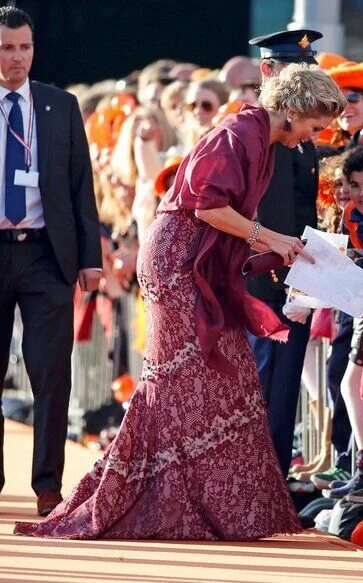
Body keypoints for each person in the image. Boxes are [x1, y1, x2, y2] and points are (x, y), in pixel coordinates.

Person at [14, 64, 346, 540]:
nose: (316, 136)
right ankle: (154, 500)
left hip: (195, 263)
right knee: (181, 381)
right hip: (176, 265)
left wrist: (275, 245)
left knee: (218, 376)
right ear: (292, 111)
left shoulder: (260, 138)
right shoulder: (239, 133)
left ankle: (199, 504)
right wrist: (270, 236)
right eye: (315, 126)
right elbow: (206, 206)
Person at [0, 6, 102, 517]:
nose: (17, 58)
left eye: (24, 47)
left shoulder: (60, 106)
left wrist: (91, 258)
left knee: (51, 374)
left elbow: (82, 185)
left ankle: (47, 486)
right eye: (6, 48)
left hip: (46, 254)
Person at [245, 28, 326, 477]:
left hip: (292, 276)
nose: (303, 82)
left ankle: (268, 484)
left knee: (282, 388)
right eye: (293, 73)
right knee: (265, 385)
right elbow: (270, 216)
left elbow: (302, 213)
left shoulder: (298, 135)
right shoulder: (263, 133)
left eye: (308, 71)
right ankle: (258, 486)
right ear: (267, 72)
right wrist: (287, 282)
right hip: (266, 280)